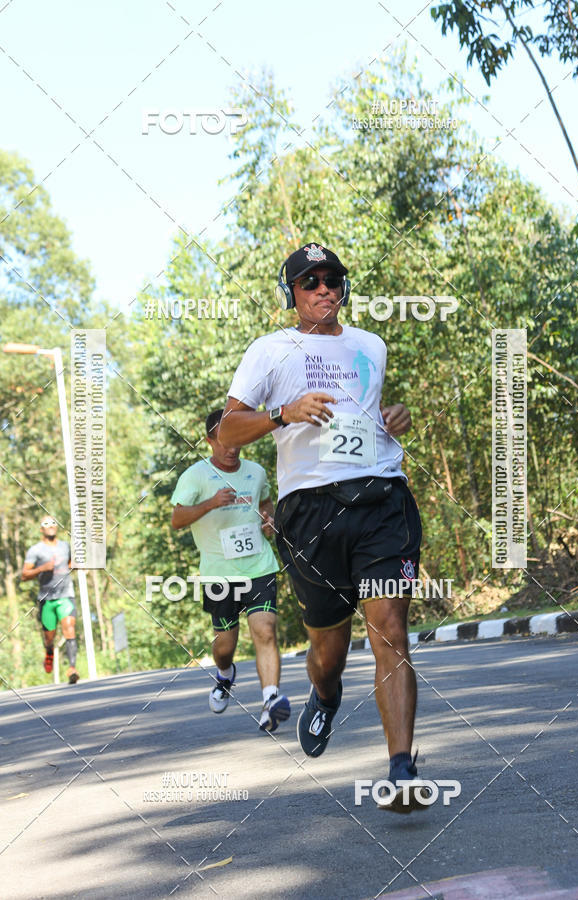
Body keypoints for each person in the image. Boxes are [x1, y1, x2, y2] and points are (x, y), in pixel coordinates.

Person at [218, 242, 426, 813]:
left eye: (332, 279)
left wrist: (393, 419)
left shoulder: (371, 345)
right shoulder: (268, 351)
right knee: (328, 647)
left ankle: (401, 770)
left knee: (389, 629)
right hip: (308, 512)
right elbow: (226, 433)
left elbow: (368, 415)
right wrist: (283, 413)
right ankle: (326, 692)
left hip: (380, 496)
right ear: (292, 293)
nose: (323, 290)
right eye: (309, 281)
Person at [170, 408, 290, 733]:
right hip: (219, 574)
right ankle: (224, 675)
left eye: (236, 440)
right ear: (209, 441)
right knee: (225, 647)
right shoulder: (194, 476)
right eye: (223, 441)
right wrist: (210, 503)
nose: (231, 448)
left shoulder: (256, 471)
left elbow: (266, 503)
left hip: (259, 566)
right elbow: (177, 519)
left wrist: (268, 519)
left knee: (265, 630)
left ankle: (271, 700)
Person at [22, 516, 79, 684]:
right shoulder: (36, 550)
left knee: (69, 627)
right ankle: (49, 652)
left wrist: (75, 565)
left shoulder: (65, 546)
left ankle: (72, 668)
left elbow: (71, 564)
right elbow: (24, 575)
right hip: (47, 599)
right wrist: (41, 568)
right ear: (41, 529)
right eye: (46, 524)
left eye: (54, 523)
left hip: (66, 594)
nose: (51, 526)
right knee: (49, 638)